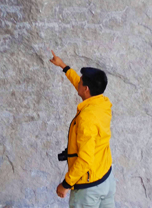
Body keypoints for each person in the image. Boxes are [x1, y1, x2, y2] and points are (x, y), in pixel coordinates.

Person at [50, 50, 116, 208]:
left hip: (88, 189)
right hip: (106, 179)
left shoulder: (86, 118)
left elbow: (85, 160)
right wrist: (63, 66)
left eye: (80, 82)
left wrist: (65, 184)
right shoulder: (103, 103)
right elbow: (80, 85)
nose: (78, 83)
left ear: (86, 89)